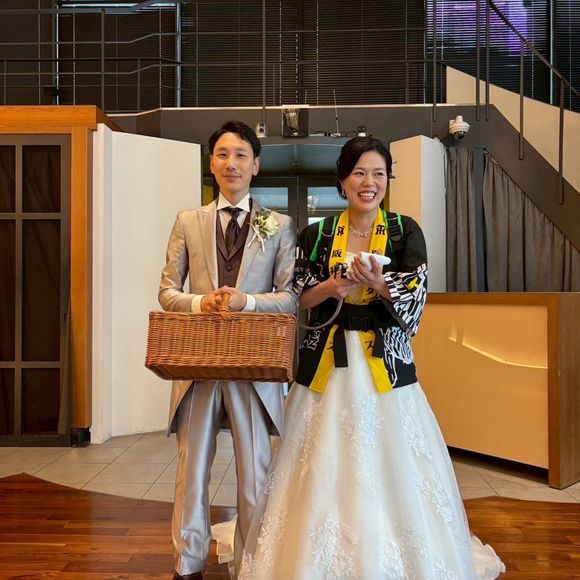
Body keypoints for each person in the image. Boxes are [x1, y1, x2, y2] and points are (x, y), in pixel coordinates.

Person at [235, 136, 505, 579]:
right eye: (359, 173)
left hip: (386, 367)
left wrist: (380, 284)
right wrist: (333, 286)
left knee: (393, 467)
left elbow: (416, 301)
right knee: (320, 466)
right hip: (326, 363)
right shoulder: (317, 234)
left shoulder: (403, 231)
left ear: (388, 180)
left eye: (379, 173)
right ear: (342, 180)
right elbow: (298, 298)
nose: (369, 182)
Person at [158, 120, 298, 580]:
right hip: (198, 364)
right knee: (191, 471)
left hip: (253, 369)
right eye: (222, 154)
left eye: (241, 155)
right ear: (212, 162)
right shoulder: (187, 221)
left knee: (255, 474)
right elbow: (167, 292)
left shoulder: (279, 225)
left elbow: (290, 297)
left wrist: (246, 302)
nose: (231, 163)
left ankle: (252, 564)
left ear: (256, 165)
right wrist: (202, 302)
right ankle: (187, 564)